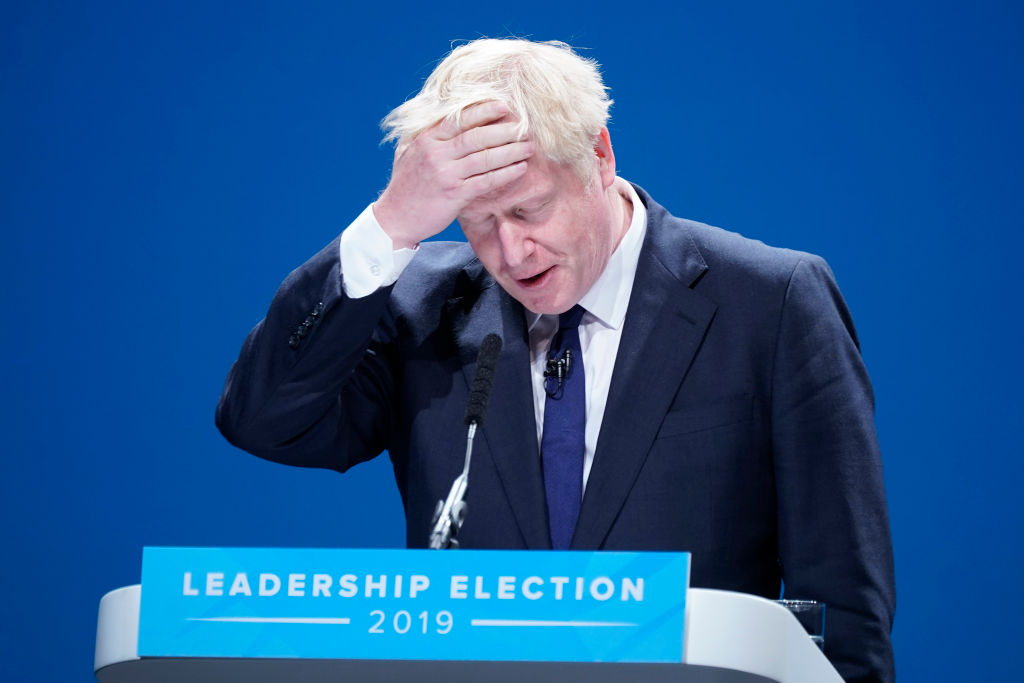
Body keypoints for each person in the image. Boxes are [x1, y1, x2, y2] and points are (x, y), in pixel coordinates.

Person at [216, 38, 895, 682]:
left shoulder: (770, 303)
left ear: (600, 156)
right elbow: (266, 420)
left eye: (530, 208)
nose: (512, 253)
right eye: (478, 222)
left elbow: (840, 611)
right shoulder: (419, 306)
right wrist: (390, 225)